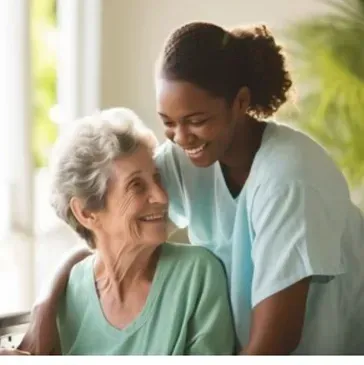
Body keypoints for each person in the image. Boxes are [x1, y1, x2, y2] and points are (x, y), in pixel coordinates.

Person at [10, 21, 364, 355]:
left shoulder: (289, 179)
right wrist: (44, 307)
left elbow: (275, 343)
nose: (181, 138)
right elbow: (109, 232)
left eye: (197, 121)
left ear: (240, 103)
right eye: (168, 123)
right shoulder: (188, 158)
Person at [1, 109, 235, 355]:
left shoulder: (197, 275)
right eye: (136, 185)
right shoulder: (67, 293)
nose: (161, 196)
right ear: (86, 213)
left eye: (157, 179)